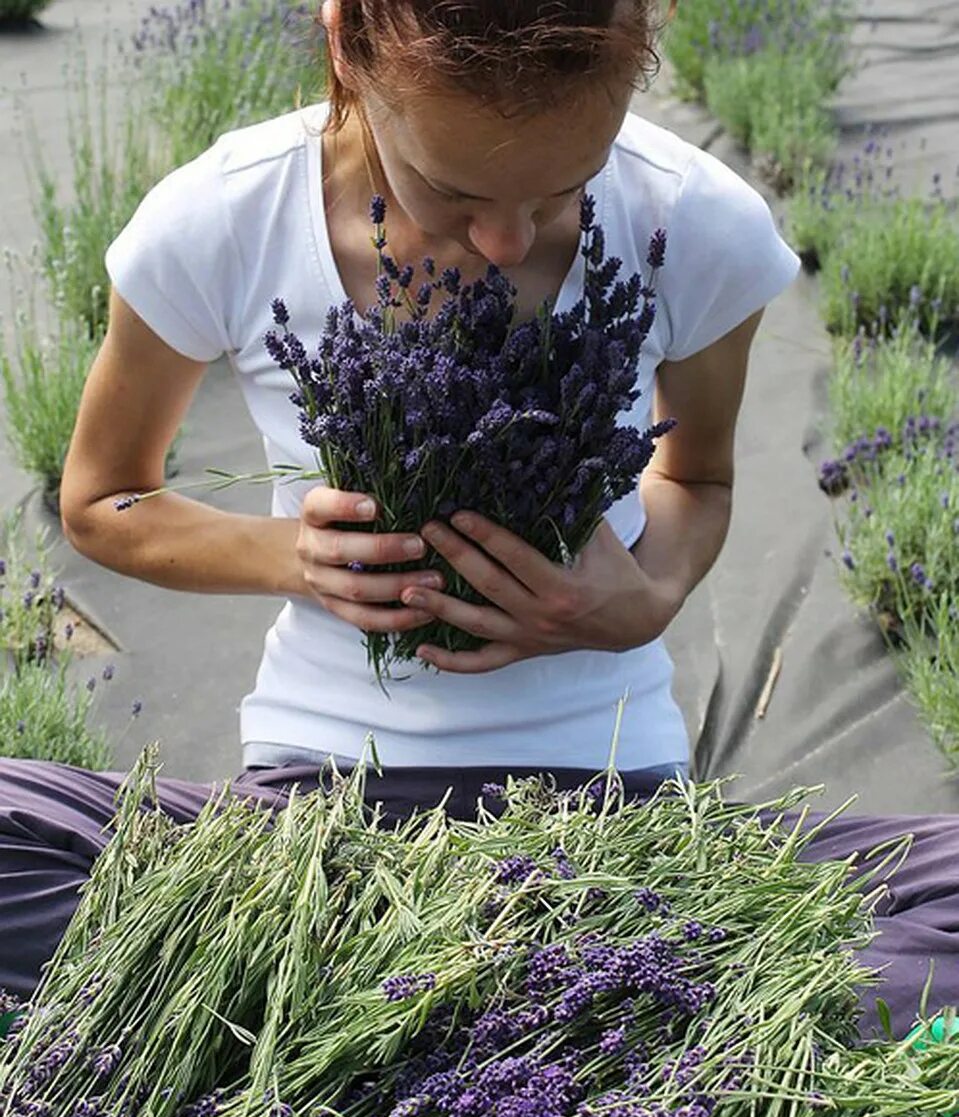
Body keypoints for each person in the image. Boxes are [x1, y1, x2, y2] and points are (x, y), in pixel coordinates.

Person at [1, 0, 958, 1041]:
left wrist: (642, 599)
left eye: (564, 187)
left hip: (612, 822)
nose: (506, 240)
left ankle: (336, 1026)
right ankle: (598, 1035)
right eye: (452, 190)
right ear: (348, 47)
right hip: (316, 814)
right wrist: (294, 556)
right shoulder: (229, 215)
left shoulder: (692, 218)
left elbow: (700, 482)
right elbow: (101, 500)